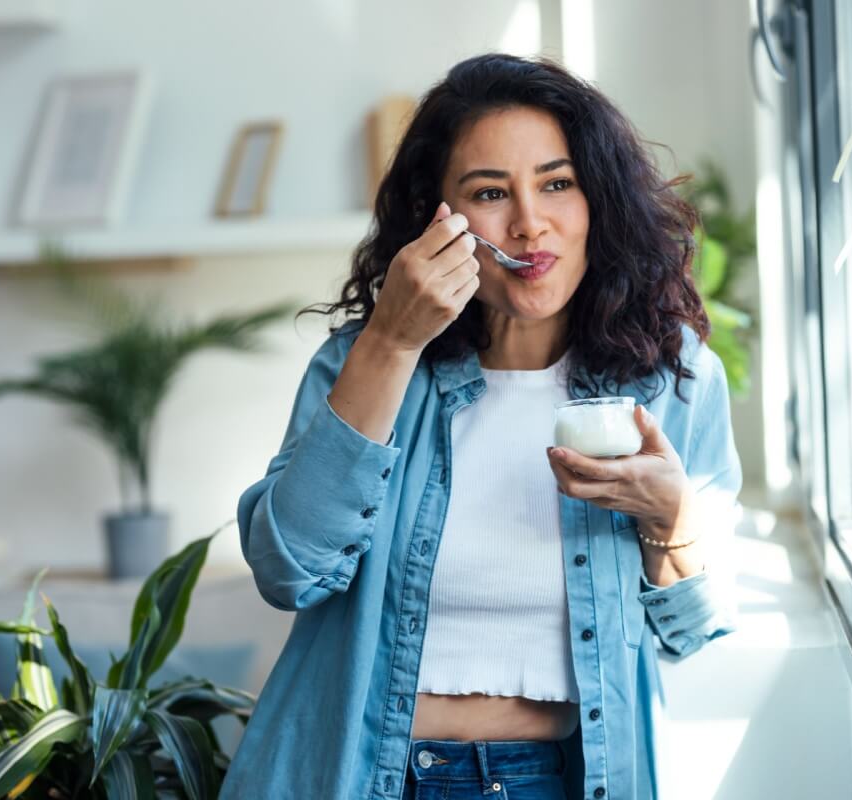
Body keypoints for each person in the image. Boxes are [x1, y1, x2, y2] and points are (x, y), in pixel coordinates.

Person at [220, 52, 742, 800]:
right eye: (490, 193)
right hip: (364, 778)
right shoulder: (365, 360)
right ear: (437, 217)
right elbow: (288, 569)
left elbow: (692, 630)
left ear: (599, 198)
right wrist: (391, 341)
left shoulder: (669, 379)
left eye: (557, 183)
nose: (529, 224)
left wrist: (669, 519)